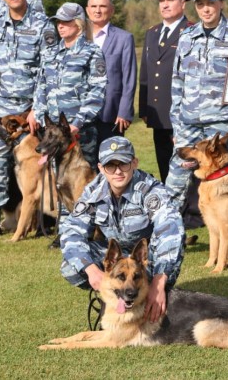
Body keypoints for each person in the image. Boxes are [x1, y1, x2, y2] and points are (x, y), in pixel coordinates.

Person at [60, 136, 185, 322]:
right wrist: (92, 270)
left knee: (166, 251)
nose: (118, 171)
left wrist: (159, 282)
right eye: (111, 166)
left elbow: (171, 231)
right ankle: (116, 298)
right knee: (70, 267)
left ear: (134, 163)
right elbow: (71, 232)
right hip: (118, 259)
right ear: (101, 168)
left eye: (124, 164)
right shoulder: (92, 192)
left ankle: (153, 295)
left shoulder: (150, 190)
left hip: (147, 260)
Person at [0, 0, 57, 239]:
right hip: (1, 109)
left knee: (39, 165)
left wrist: (37, 107)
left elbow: (48, 70)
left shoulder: (43, 25)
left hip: (30, 112)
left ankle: (47, 219)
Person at [164, 0, 228, 206]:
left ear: (221, 3)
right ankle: (168, 238)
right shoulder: (186, 37)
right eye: (200, 4)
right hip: (189, 124)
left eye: (211, 3)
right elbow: (177, 82)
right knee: (174, 184)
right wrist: (176, 124)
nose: (205, 9)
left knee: (226, 189)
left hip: (224, 124)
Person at [30, 2, 106, 167]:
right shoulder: (50, 53)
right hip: (51, 133)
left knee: (81, 183)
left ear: (79, 24)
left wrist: (76, 124)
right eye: (58, 22)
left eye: (65, 21)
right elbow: (41, 87)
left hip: (80, 131)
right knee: (54, 183)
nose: (60, 26)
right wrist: (39, 115)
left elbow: (97, 92)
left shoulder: (92, 52)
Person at [139, 0, 193, 183]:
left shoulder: (190, 31)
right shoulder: (152, 33)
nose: (165, 4)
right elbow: (146, 73)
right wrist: (144, 108)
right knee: (163, 161)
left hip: (181, 112)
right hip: (158, 113)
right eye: (162, 0)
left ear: (182, 2)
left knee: (184, 164)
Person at [86, 0, 137, 148]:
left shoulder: (124, 38)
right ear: (87, 10)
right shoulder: (79, 37)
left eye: (102, 6)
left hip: (111, 113)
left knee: (111, 160)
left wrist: (124, 111)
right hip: (82, 113)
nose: (98, 10)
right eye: (93, 6)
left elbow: (129, 78)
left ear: (111, 10)